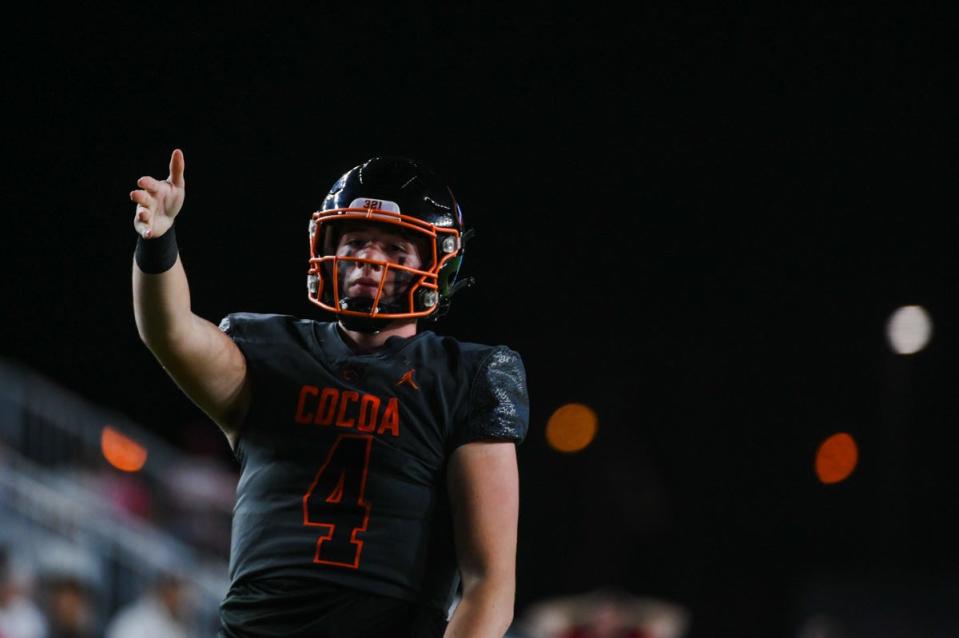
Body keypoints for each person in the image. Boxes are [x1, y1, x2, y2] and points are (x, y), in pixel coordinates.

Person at [130, 150, 529, 637]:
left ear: (437, 267)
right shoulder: (270, 351)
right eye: (357, 242)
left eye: (394, 250)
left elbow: (490, 583)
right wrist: (158, 241)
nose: (367, 259)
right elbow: (170, 331)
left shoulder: (465, 375)